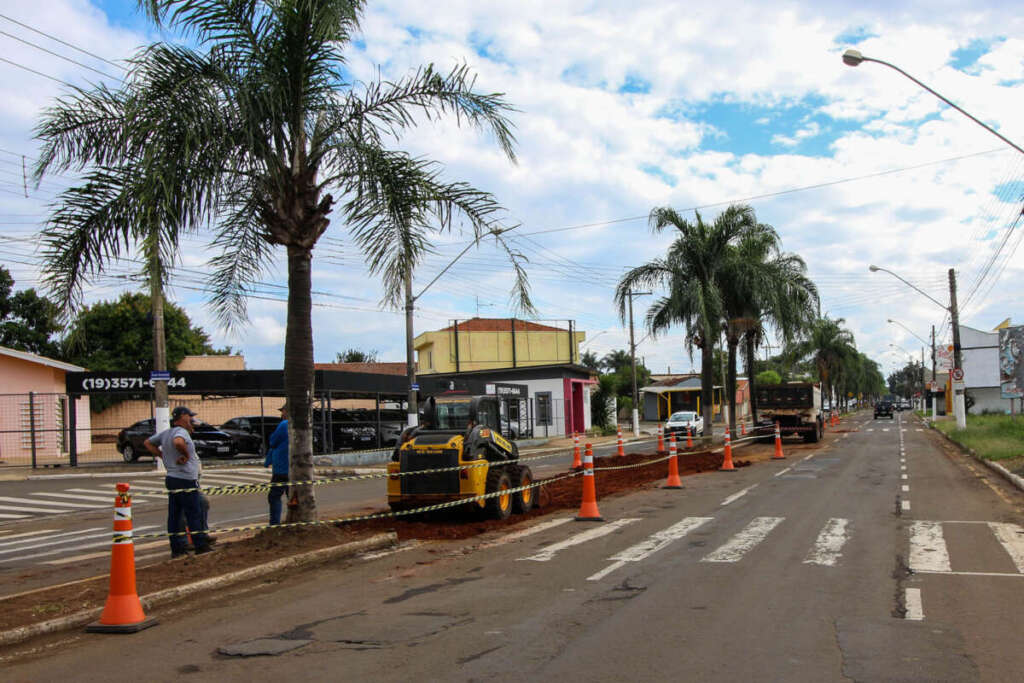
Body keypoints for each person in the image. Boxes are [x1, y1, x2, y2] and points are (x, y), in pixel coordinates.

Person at [145, 406, 213, 557]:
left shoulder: (166, 433)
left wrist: (162, 455)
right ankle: (200, 546)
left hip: (172, 478)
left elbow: (148, 443)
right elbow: (178, 442)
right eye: (189, 416)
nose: (191, 419)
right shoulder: (180, 432)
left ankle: (177, 549)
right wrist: (186, 454)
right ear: (182, 417)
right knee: (193, 513)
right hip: (186, 480)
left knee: (175, 515)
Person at [264, 403, 289, 525]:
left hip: (281, 468)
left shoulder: (284, 424)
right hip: (293, 468)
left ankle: (274, 523)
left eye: (283, 411)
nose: (281, 414)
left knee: (274, 496)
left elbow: (273, 441)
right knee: (293, 495)